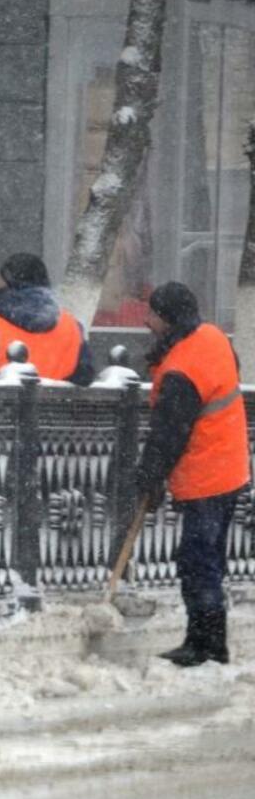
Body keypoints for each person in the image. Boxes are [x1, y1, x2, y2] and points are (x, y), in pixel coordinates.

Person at [135, 282, 249, 667]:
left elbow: (168, 434)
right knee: (207, 558)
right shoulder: (213, 337)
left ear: (167, 319)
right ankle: (206, 640)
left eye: (152, 314)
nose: (146, 321)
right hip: (230, 467)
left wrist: (149, 476)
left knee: (198, 562)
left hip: (206, 474)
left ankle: (206, 644)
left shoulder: (182, 368)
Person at [0, 253, 95, 384]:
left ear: (8, 282)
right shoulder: (72, 327)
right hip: (56, 405)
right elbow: (85, 376)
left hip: (0, 405)